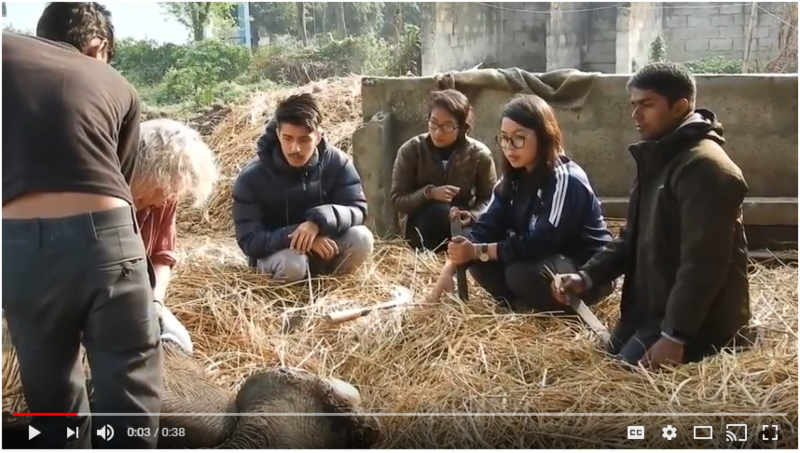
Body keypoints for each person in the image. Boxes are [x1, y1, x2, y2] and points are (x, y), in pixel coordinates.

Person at [2, 3, 161, 449]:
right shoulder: (120, 86)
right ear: (99, 47)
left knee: (51, 407)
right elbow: (120, 182)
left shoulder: (7, 53)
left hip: (20, 249)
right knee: (129, 393)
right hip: (107, 240)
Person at [552, 62, 752, 370]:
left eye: (647, 105)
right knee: (607, 363)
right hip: (651, 309)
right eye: (634, 105)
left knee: (622, 379)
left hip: (697, 323)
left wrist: (676, 335)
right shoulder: (658, 156)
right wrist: (586, 276)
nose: (636, 115)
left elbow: (703, 264)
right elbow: (632, 238)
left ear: (680, 106)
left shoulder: (706, 169)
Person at [429, 94, 614, 313]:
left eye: (519, 138)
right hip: (542, 259)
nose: (509, 147)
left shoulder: (566, 179)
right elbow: (486, 227)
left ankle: (553, 308)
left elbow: (542, 241)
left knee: (520, 273)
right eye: (504, 138)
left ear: (543, 136)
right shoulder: (512, 180)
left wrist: (479, 250)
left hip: (582, 269)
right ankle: (524, 305)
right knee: (478, 252)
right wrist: (450, 269)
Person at [233, 93, 374, 283]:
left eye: (304, 140)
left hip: (324, 246)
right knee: (293, 263)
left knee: (361, 238)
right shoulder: (252, 177)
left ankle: (331, 288)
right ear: (278, 134)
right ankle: (284, 297)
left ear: (318, 136)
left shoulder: (337, 162)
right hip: (279, 255)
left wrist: (318, 223)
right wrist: (301, 237)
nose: (295, 148)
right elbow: (250, 240)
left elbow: (357, 209)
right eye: (288, 138)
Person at [134, 118, 220, 355]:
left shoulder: (165, 200)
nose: (167, 198)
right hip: (98, 299)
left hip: (139, 295)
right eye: (163, 188)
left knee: (181, 342)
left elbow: (162, 257)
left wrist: (155, 302)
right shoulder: (105, 200)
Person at [390, 89, 497, 251]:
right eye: (433, 123)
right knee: (438, 212)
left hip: (460, 222)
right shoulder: (412, 150)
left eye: (447, 126)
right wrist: (429, 193)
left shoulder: (479, 154)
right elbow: (397, 200)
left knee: (473, 239)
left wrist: (472, 215)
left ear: (462, 127)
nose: (438, 132)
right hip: (422, 225)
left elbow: (490, 200)